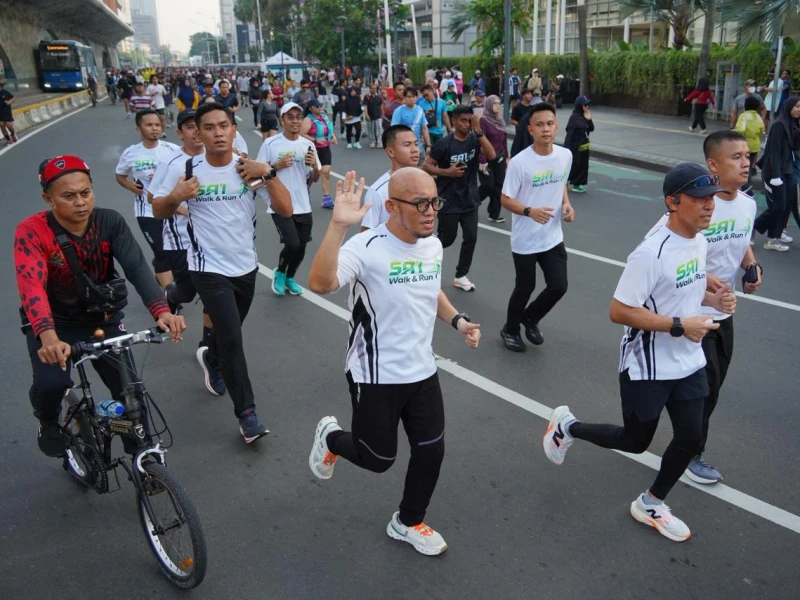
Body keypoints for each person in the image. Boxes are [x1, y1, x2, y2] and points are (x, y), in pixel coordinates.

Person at [542, 162, 736, 543]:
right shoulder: (650, 253)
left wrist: (712, 296)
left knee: (691, 436)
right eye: (699, 199)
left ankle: (651, 502)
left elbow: (684, 288)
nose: (709, 205)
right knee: (636, 442)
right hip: (647, 365)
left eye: (711, 197)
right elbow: (620, 311)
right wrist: (682, 325)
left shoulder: (698, 238)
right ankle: (568, 426)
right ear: (673, 202)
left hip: (688, 361)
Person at [307, 168, 481, 556]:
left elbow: (430, 288)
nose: (431, 211)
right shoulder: (366, 248)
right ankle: (331, 437)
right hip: (374, 374)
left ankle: (408, 521)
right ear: (391, 206)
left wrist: (457, 319)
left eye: (434, 201)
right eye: (420, 203)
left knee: (431, 451)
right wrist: (337, 227)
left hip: (421, 370)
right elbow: (319, 284)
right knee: (378, 459)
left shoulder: (432, 244)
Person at [16, 155, 185, 458]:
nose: (80, 202)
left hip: (101, 318)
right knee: (53, 382)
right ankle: (47, 420)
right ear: (48, 198)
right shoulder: (32, 231)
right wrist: (48, 336)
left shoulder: (109, 221)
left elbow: (136, 268)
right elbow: (32, 286)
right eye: (68, 196)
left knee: (130, 391)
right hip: (53, 324)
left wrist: (161, 311)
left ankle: (142, 457)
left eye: (86, 192)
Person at [153, 102, 292, 443]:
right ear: (198, 134)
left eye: (224, 126)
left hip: (245, 267)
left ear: (233, 130)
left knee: (228, 336)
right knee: (233, 337)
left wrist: (268, 173)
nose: (218, 133)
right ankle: (247, 415)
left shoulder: (248, 167)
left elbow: (285, 209)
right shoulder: (184, 167)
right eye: (210, 127)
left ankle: (210, 357)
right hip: (206, 268)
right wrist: (176, 195)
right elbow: (158, 209)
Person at [647, 132, 761, 485]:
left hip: (722, 315)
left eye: (747, 156)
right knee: (702, 389)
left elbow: (743, 241)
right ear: (713, 165)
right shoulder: (695, 207)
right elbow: (659, 249)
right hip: (689, 315)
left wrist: (751, 267)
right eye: (736, 157)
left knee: (711, 388)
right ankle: (691, 449)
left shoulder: (748, 204)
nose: (746, 163)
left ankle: (683, 438)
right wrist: (705, 279)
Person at [499, 102, 574, 352]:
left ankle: (530, 318)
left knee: (559, 286)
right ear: (530, 129)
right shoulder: (520, 163)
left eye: (550, 124)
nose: (545, 129)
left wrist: (567, 204)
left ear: (556, 126)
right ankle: (510, 329)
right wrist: (530, 211)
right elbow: (505, 199)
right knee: (525, 287)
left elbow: (561, 182)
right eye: (539, 125)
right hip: (525, 239)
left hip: (552, 236)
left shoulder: (565, 155)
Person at [423, 105, 496, 292]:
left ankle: (461, 275)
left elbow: (492, 155)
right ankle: (424, 260)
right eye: (463, 120)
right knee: (447, 239)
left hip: (470, 198)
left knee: (471, 237)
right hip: (448, 199)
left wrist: (479, 131)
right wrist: (446, 172)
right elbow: (426, 166)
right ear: (454, 121)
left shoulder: (474, 138)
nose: (467, 124)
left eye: (470, 120)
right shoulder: (444, 144)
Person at [257, 102, 320, 296]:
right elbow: (258, 174)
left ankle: (290, 277)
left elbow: (314, 178)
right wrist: (276, 165)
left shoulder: (307, 145)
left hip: (303, 204)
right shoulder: (270, 144)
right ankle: (280, 273)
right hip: (280, 204)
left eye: (298, 117)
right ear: (281, 120)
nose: (294, 121)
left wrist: (314, 167)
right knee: (292, 244)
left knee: (301, 247)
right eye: (290, 117)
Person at [114, 110, 180, 288]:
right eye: (149, 125)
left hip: (172, 209)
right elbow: (120, 175)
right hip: (146, 211)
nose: (154, 129)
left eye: (157, 125)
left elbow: (185, 173)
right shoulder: (131, 153)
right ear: (139, 128)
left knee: (174, 250)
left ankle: (165, 276)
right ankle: (169, 295)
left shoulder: (172, 150)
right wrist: (129, 186)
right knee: (160, 250)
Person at [754, 95, 800, 251]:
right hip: (773, 173)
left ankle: (775, 235)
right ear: (789, 107)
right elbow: (773, 151)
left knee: (786, 206)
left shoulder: (792, 124)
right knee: (777, 206)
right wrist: (775, 176)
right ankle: (753, 229)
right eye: (797, 107)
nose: (799, 110)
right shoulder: (779, 125)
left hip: (787, 170)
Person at [360, 124, 420, 231]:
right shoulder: (377, 192)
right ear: (391, 152)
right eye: (407, 145)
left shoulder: (423, 182)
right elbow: (366, 233)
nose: (415, 149)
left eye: (416, 144)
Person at [300, 99, 338, 209]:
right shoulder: (308, 120)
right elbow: (302, 134)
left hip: (325, 148)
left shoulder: (324, 118)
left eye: (320, 105)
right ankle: (305, 191)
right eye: (317, 106)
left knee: (325, 172)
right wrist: (315, 140)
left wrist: (333, 136)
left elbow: (328, 130)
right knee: (312, 175)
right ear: (311, 108)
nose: (320, 107)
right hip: (312, 149)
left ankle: (327, 198)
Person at [477, 95, 508, 224]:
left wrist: (507, 155)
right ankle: (471, 202)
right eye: (494, 103)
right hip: (487, 159)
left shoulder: (500, 120)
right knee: (488, 186)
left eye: (499, 103)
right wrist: (482, 160)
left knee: (499, 187)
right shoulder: (483, 121)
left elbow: (504, 139)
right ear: (489, 104)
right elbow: (480, 141)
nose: (497, 106)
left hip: (500, 157)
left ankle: (494, 214)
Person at [733, 96, 765, 194]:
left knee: (740, 166)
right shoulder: (758, 117)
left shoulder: (744, 116)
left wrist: (732, 132)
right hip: (755, 145)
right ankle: (748, 185)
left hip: (744, 145)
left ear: (745, 105)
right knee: (749, 166)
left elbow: (740, 129)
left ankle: (744, 186)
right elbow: (761, 130)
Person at [564, 95, 594, 193]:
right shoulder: (574, 118)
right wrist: (566, 149)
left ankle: (578, 184)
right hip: (575, 147)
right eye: (585, 105)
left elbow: (591, 129)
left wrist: (589, 119)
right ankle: (565, 181)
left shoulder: (585, 116)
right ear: (579, 106)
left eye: (588, 105)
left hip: (584, 146)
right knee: (574, 165)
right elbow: (569, 134)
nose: (587, 107)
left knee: (583, 166)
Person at [392, 88, 432, 160]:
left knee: (420, 169)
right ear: (404, 98)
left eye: (413, 97)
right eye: (409, 97)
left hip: (418, 147)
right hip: (404, 148)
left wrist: (428, 144)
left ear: (416, 97)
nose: (411, 99)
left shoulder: (420, 109)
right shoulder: (399, 111)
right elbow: (394, 129)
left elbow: (424, 128)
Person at [364, 83, 384, 148]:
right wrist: (366, 114)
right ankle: (372, 141)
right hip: (370, 115)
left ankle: (379, 142)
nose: (374, 90)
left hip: (378, 115)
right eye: (372, 88)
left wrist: (382, 113)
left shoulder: (379, 96)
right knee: (371, 129)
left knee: (379, 129)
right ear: (370, 89)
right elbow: (365, 106)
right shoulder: (367, 96)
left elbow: (381, 105)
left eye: (375, 88)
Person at [0, 79, 17, 144]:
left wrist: (9, 102)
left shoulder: (5, 92)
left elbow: (14, 98)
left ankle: (13, 134)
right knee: (2, 125)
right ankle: (8, 140)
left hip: (6, 112)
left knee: (9, 125)